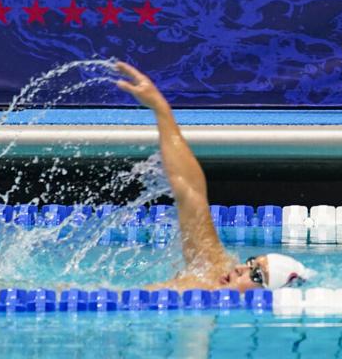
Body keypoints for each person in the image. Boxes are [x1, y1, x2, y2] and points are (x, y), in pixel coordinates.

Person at [114, 61, 311, 292]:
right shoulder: (213, 269)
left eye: (256, 275)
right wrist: (161, 108)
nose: (240, 269)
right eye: (251, 263)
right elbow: (190, 190)